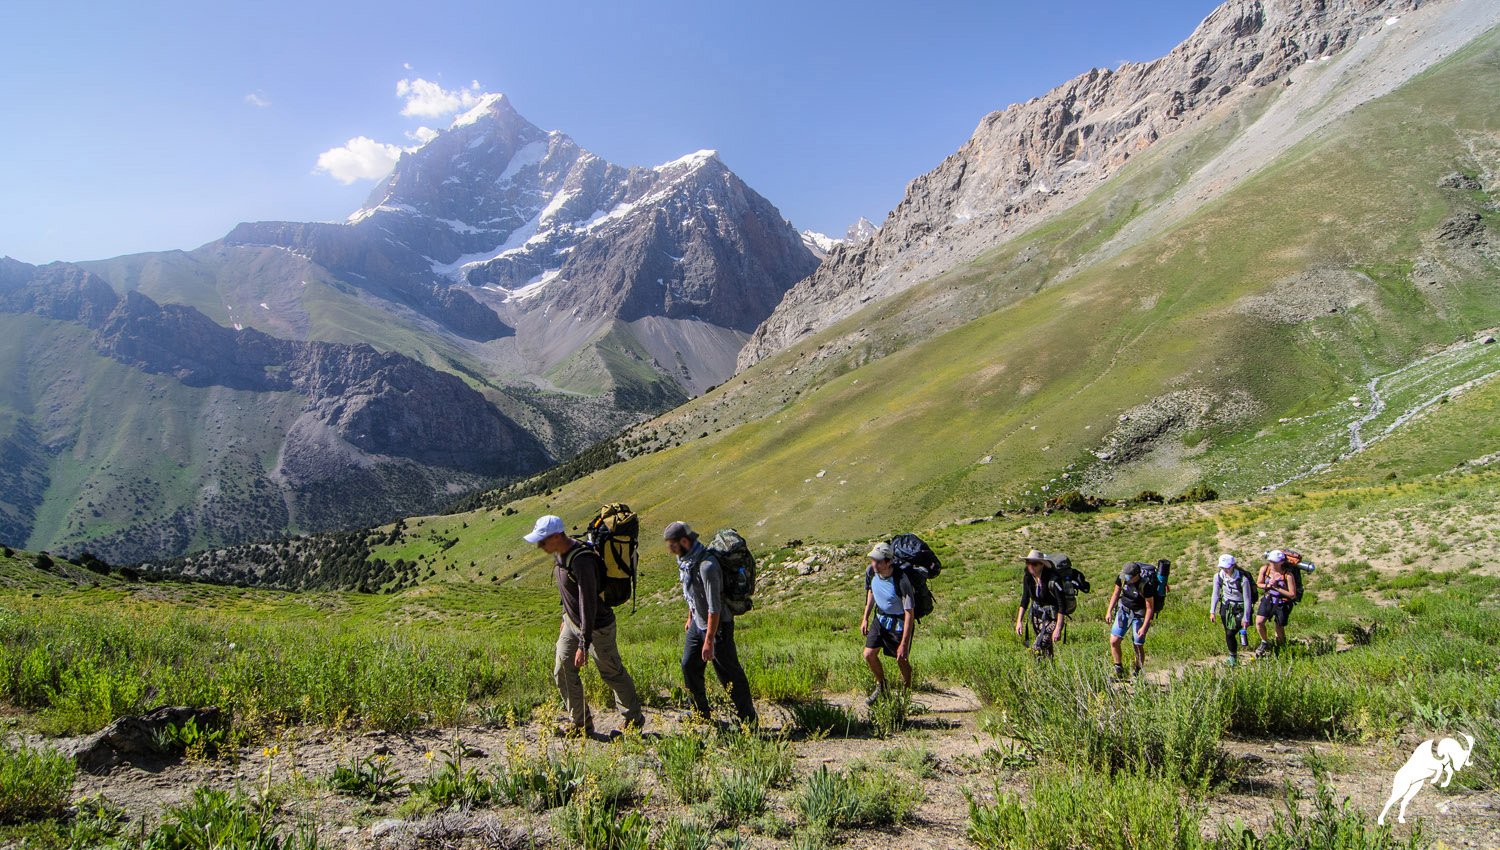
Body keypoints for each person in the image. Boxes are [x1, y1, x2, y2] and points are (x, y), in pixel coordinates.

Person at [525, 514, 644, 737]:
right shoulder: (560, 554)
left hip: (597, 627)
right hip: (572, 623)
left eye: (543, 540)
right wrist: (564, 617)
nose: (540, 545)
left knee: (612, 673)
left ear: (558, 536)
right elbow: (567, 592)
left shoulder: (582, 562)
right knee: (562, 670)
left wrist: (583, 644)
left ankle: (633, 719)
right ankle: (581, 723)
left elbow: (588, 603)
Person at [666, 521, 757, 725]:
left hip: (718, 627)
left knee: (728, 673)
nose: (670, 549)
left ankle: (748, 720)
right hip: (699, 624)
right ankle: (700, 712)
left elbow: (714, 607)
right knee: (689, 665)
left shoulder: (707, 566)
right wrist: (690, 617)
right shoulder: (687, 562)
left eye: (672, 544)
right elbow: (692, 593)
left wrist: (708, 641)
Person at [861, 542, 916, 704]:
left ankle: (906, 694)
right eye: (873, 560)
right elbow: (871, 592)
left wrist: (904, 643)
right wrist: (865, 617)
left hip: (899, 622)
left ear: (888, 562)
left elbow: (909, 613)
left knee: (902, 658)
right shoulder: (871, 572)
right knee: (868, 654)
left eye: (878, 561)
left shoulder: (901, 580)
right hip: (880, 618)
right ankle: (882, 686)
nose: (874, 564)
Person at [1105, 561, 1155, 679]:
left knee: (1138, 644)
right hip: (1124, 612)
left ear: (1136, 575)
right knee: (1114, 640)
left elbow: (1150, 608)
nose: (1126, 579)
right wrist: (1109, 611)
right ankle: (1118, 668)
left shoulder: (1145, 586)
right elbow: (1116, 594)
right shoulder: (1122, 579)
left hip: (1139, 615)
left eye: (1128, 577)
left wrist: (1144, 627)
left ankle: (1138, 672)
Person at [1014, 550, 1063, 659]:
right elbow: (1025, 600)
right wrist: (1019, 621)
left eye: (1034, 564)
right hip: (1037, 618)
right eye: (1028, 563)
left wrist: (1058, 628)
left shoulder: (1052, 580)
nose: (1030, 566)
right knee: (1046, 650)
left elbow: (1061, 605)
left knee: (1038, 647)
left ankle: (1040, 670)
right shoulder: (1028, 578)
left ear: (1042, 565)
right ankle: (1048, 671)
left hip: (1052, 619)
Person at [1209, 554, 1254, 666]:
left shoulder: (1243, 579)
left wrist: (1246, 617)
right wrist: (1212, 611)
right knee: (1228, 633)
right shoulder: (1218, 577)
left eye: (1227, 567)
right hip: (1226, 606)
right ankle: (1233, 656)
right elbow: (1215, 593)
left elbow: (1247, 599)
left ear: (1233, 565)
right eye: (1223, 567)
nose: (1225, 569)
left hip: (1240, 608)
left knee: (1230, 632)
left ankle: (1233, 656)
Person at [1254, 549, 1299, 657]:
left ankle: (1280, 649)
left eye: (1275, 561)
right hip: (1268, 598)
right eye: (1271, 561)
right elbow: (1259, 584)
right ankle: (1264, 642)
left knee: (1279, 627)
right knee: (1259, 622)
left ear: (1281, 562)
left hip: (1283, 603)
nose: (1272, 564)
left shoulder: (1288, 575)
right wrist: (1268, 586)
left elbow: (1292, 594)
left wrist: (1277, 587)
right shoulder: (1265, 570)